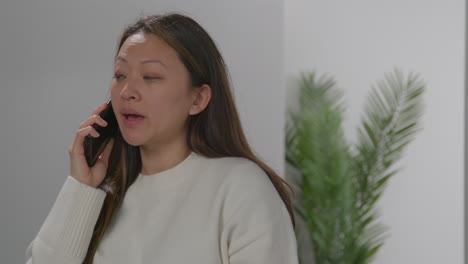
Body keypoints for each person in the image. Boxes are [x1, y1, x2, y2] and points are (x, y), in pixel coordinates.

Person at [25, 12, 298, 264]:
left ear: (198, 98)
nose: (127, 92)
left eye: (151, 76)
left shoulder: (241, 188)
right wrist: (80, 189)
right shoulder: (106, 194)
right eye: (120, 75)